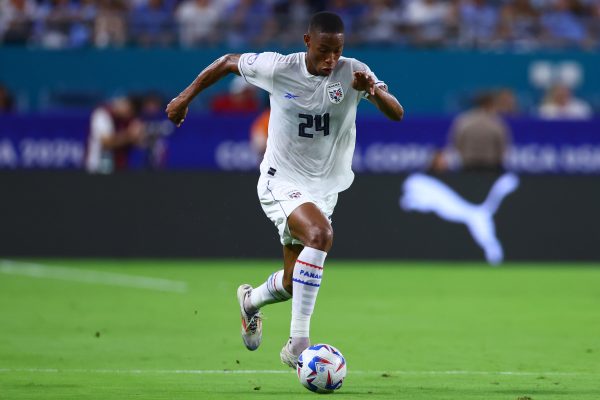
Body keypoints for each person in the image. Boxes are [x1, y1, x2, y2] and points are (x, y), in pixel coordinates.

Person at [165, 11, 403, 368]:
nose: (331, 60)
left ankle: (250, 302)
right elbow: (229, 62)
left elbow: (396, 112)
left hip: (323, 189)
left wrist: (373, 90)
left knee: (294, 283)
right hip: (282, 180)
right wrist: (185, 97)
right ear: (307, 42)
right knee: (320, 235)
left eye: (337, 51)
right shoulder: (279, 68)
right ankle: (298, 344)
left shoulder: (352, 71)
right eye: (324, 50)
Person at [448, 91, 512, 173]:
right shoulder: (496, 122)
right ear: (489, 104)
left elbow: (456, 142)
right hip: (490, 168)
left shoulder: (463, 121)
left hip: (468, 167)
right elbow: (502, 146)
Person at [86, 96, 146, 174]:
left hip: (118, 169)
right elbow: (106, 143)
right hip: (97, 168)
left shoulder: (128, 120)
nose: (127, 111)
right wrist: (129, 135)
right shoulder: (102, 114)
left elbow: (140, 142)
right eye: (127, 106)